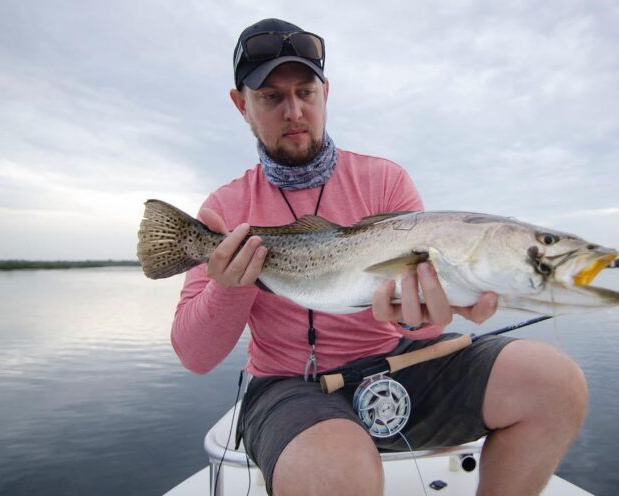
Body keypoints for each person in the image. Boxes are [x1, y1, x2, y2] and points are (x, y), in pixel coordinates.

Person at [172, 18, 588, 496]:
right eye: (271, 97)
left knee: (556, 384)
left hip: (400, 362)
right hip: (288, 386)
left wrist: (435, 311)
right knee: (336, 474)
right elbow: (194, 355)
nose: (294, 111)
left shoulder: (385, 182)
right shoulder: (224, 212)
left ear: (326, 93)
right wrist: (229, 287)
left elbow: (426, 327)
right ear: (240, 105)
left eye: (306, 92)